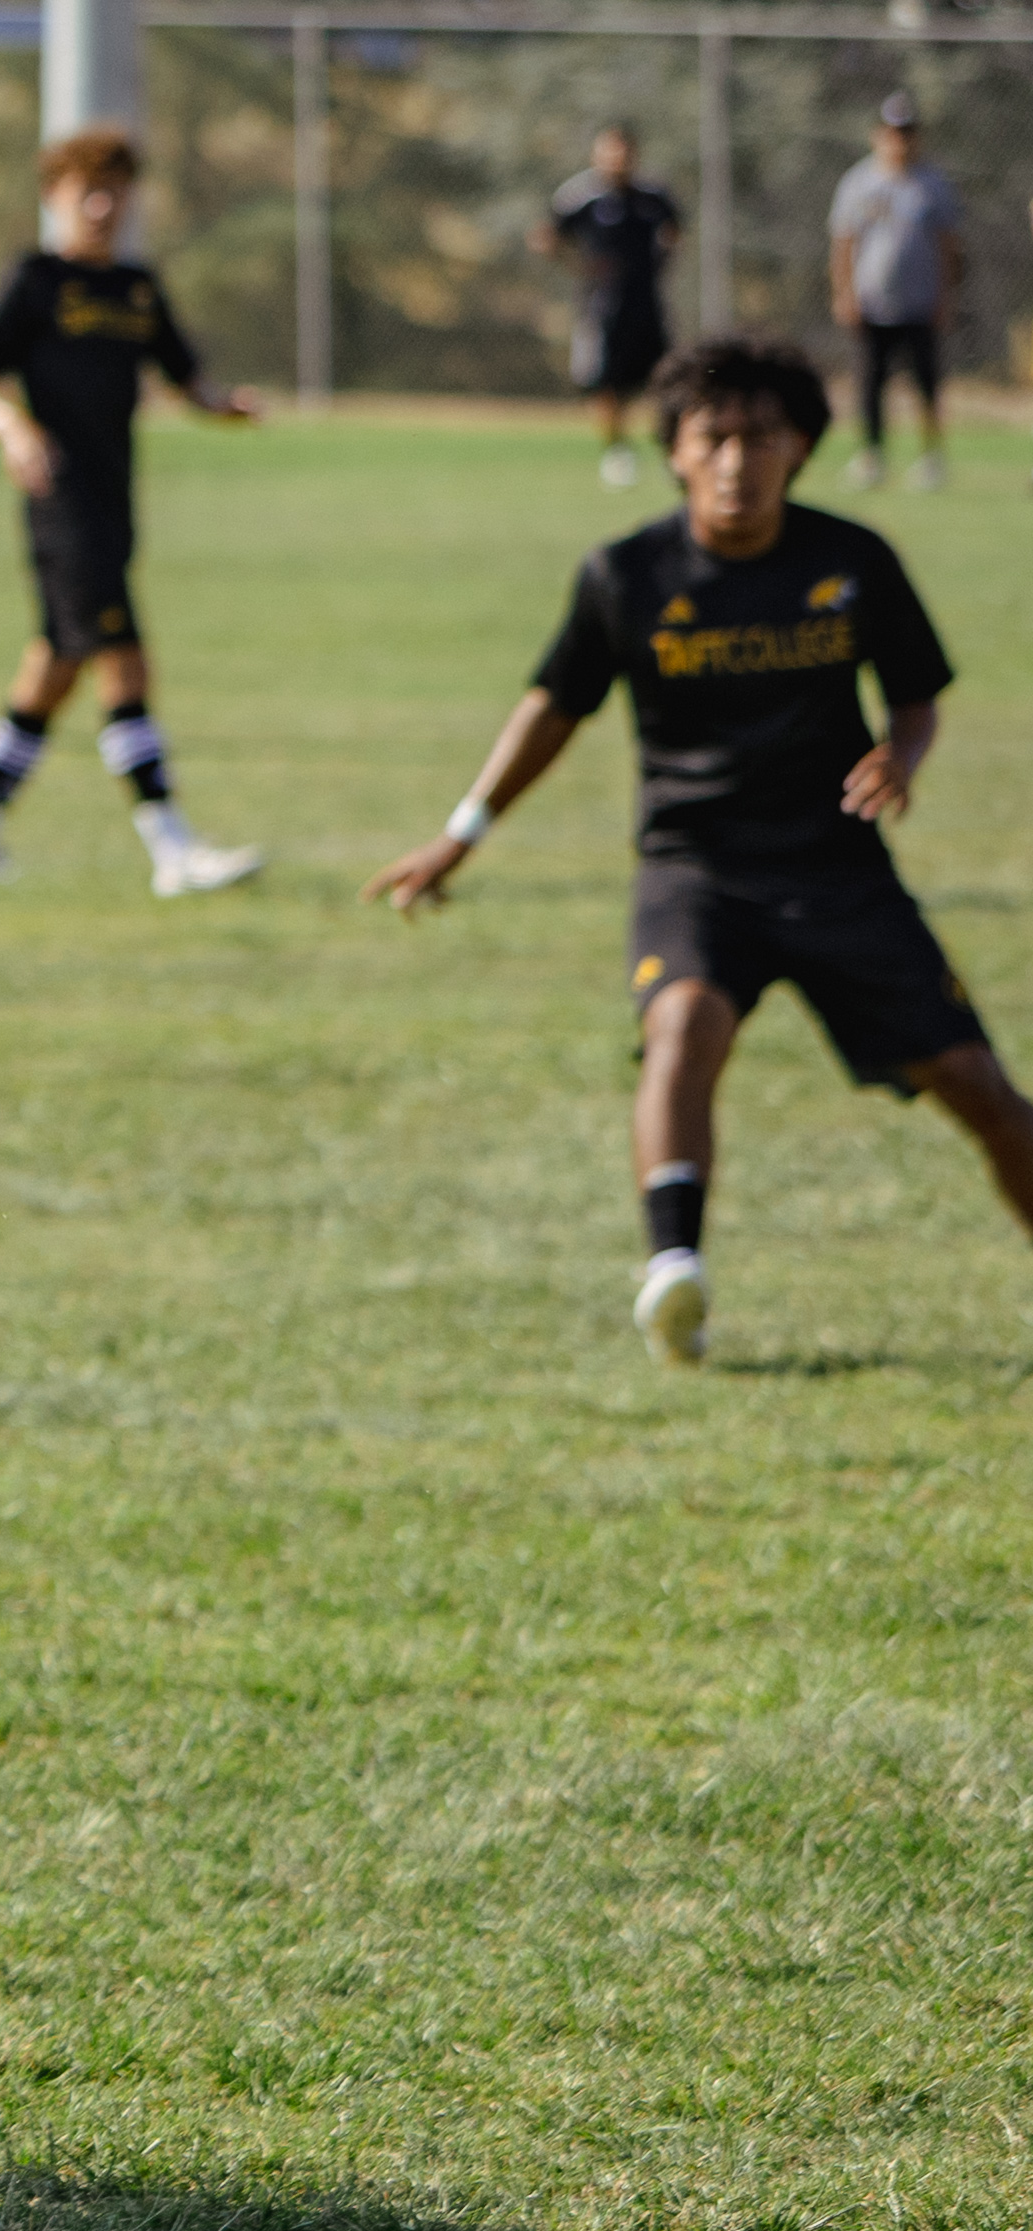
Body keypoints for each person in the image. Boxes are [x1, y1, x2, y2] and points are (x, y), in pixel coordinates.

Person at [372, 338, 1033, 1366]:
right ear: (674, 452)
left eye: (760, 437)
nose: (737, 460)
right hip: (697, 867)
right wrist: (462, 834)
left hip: (837, 867)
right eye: (713, 438)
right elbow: (555, 707)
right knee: (681, 1023)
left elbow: (916, 690)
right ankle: (672, 1269)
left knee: (976, 1084)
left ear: (801, 447)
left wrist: (901, 757)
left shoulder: (852, 560)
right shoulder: (626, 574)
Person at [0, 126, 266, 895]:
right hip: (61, 503)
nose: (104, 206)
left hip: (115, 501)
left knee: (54, 668)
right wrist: (14, 430)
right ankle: (172, 848)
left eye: (116, 192)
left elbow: (186, 378)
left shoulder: (137, 289)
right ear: (56, 198)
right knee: (125, 661)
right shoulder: (37, 281)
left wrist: (226, 406)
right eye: (88, 192)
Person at [828, 91, 965, 492]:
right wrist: (844, 292)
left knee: (927, 382)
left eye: (907, 132)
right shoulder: (858, 182)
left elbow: (947, 244)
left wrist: (946, 296)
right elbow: (844, 242)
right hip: (872, 302)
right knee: (871, 383)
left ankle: (931, 457)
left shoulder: (933, 183)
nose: (900, 141)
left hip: (921, 302)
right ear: (878, 135)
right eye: (893, 132)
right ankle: (872, 456)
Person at [539, 123, 683, 494]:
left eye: (624, 152)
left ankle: (671, 447)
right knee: (603, 383)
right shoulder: (580, 195)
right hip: (600, 304)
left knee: (662, 376)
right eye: (609, 152)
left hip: (646, 302)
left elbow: (675, 229)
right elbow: (546, 237)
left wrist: (661, 262)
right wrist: (580, 267)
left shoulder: (653, 194)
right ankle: (617, 452)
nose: (617, 160)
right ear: (597, 155)